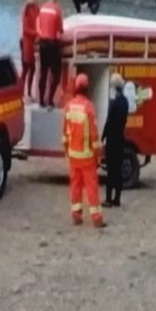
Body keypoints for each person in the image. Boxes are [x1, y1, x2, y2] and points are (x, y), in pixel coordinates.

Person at [62, 73, 105, 228]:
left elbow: (64, 132)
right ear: (87, 88)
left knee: (75, 186)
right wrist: (98, 155)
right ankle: (97, 218)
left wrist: (67, 150)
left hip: (73, 155)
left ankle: (76, 215)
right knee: (91, 187)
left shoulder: (68, 106)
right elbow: (94, 135)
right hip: (87, 156)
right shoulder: (89, 108)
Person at [102, 73, 130, 207]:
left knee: (111, 170)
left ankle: (108, 198)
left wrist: (103, 136)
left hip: (112, 139)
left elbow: (109, 122)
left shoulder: (114, 104)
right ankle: (117, 198)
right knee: (118, 170)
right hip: (121, 138)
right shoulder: (125, 102)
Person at [36, 0, 65, 109]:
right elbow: (61, 30)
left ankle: (41, 100)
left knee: (43, 72)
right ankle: (50, 99)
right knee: (56, 74)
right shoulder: (57, 10)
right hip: (53, 44)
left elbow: (39, 25)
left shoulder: (42, 8)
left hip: (42, 43)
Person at [20, 0, 40, 102]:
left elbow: (41, 18)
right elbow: (25, 29)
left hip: (33, 42)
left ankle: (28, 92)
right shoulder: (26, 9)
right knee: (26, 68)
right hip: (26, 42)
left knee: (32, 68)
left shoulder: (37, 8)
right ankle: (22, 92)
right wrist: (37, 33)